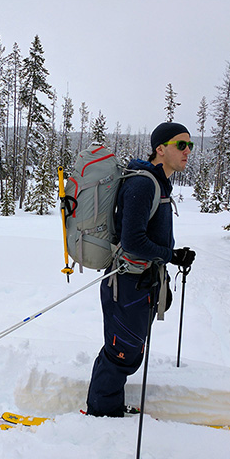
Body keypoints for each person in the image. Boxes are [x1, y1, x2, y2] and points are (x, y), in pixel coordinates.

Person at [86, 122, 196, 417]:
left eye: (190, 145)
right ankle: (101, 413)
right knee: (121, 353)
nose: (188, 151)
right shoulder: (143, 183)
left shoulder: (157, 183)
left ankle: (106, 405)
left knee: (126, 349)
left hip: (141, 281)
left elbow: (147, 234)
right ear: (161, 149)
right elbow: (132, 241)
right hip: (127, 283)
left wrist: (170, 255)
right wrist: (169, 255)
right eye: (181, 145)